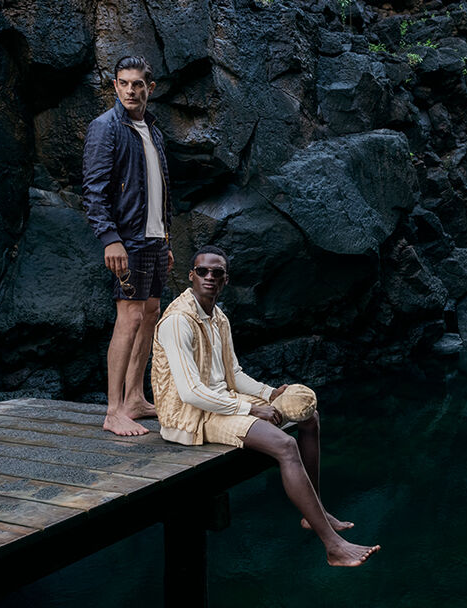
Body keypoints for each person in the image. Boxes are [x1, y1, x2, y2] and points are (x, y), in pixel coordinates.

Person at [151, 246, 380, 567]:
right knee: (285, 446)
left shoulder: (219, 318)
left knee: (308, 416)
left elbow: (236, 375)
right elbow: (190, 393)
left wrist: (271, 394)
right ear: (191, 275)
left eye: (217, 273)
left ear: (225, 280)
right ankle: (333, 546)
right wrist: (251, 410)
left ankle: (313, 513)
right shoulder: (178, 321)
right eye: (202, 271)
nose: (210, 277)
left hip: (221, 401)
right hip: (192, 416)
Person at [83, 55, 173, 436]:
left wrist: (165, 238)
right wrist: (110, 239)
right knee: (130, 316)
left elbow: (158, 189)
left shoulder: (153, 130)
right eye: (123, 83)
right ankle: (113, 410)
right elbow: (93, 190)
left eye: (138, 84)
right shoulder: (106, 128)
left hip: (153, 237)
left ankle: (135, 397)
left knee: (150, 312)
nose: (131, 90)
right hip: (127, 240)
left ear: (149, 88)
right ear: (115, 86)